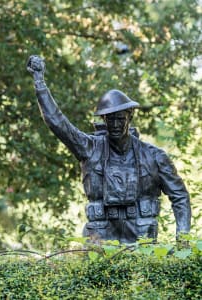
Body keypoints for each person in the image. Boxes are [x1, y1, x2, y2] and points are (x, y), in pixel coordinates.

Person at [27, 55, 191, 243]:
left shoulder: (154, 156)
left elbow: (180, 196)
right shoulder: (89, 148)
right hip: (100, 236)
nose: (115, 124)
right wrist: (39, 82)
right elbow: (57, 122)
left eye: (120, 119)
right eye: (110, 119)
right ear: (104, 120)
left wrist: (183, 239)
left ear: (130, 117)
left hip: (141, 237)